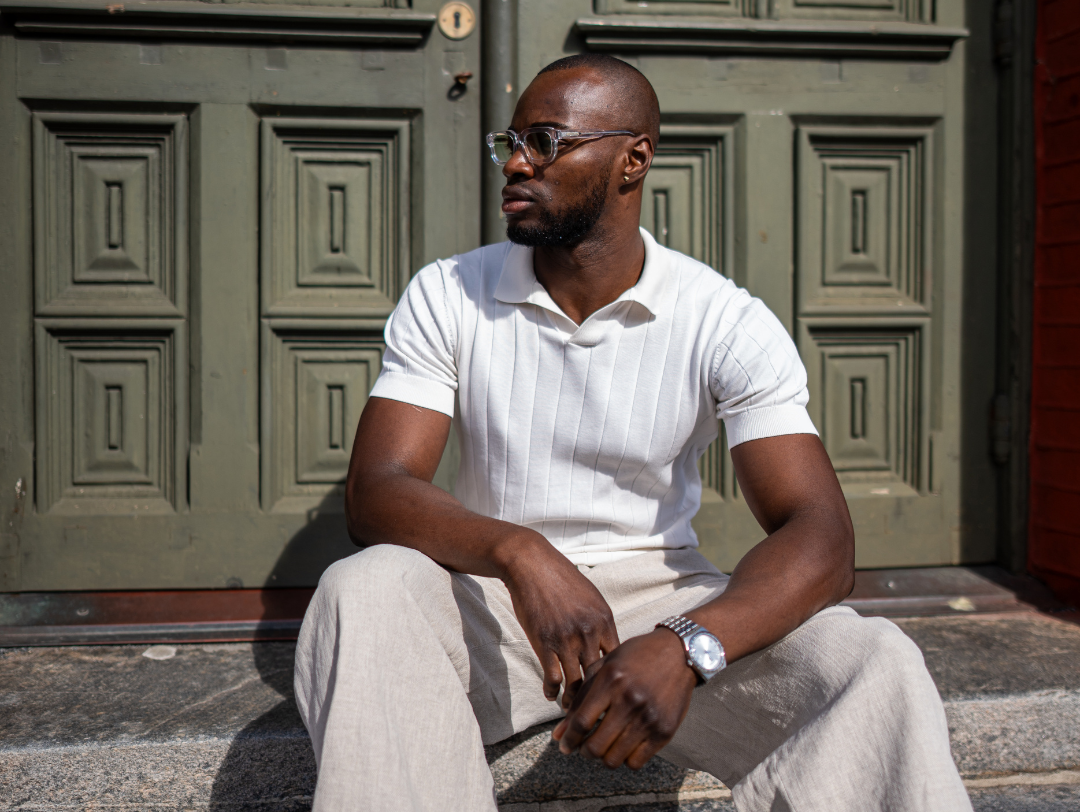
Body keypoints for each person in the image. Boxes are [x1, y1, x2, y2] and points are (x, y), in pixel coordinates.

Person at [294, 54, 972, 812]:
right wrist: (522, 553)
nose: (515, 164)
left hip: (660, 601)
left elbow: (822, 538)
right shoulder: (448, 293)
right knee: (365, 586)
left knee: (873, 657)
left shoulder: (724, 319)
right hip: (491, 600)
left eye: (546, 142)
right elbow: (377, 491)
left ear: (634, 160)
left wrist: (686, 644)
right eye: (510, 143)